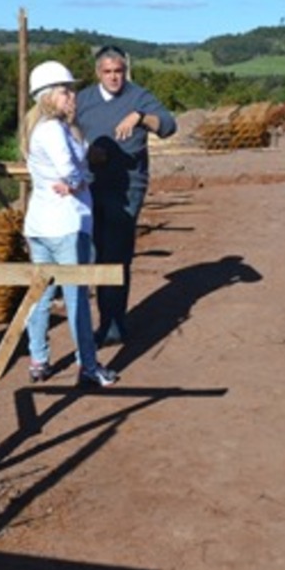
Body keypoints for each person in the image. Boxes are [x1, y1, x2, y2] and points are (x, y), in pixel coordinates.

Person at [22, 60, 118, 388]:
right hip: (65, 225)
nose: (71, 95)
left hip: (41, 225)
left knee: (42, 294)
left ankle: (38, 358)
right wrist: (83, 179)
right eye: (65, 90)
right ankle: (88, 365)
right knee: (75, 295)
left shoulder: (48, 128)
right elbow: (71, 171)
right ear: (48, 95)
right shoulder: (51, 130)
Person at [75, 45, 177, 347]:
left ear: (125, 71)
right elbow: (67, 130)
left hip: (127, 188)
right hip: (89, 185)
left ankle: (113, 325)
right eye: (107, 72)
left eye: (118, 71)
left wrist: (142, 118)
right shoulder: (84, 100)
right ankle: (93, 319)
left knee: (116, 253)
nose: (114, 77)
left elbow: (169, 126)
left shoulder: (139, 97)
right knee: (89, 251)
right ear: (97, 73)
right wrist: (86, 152)